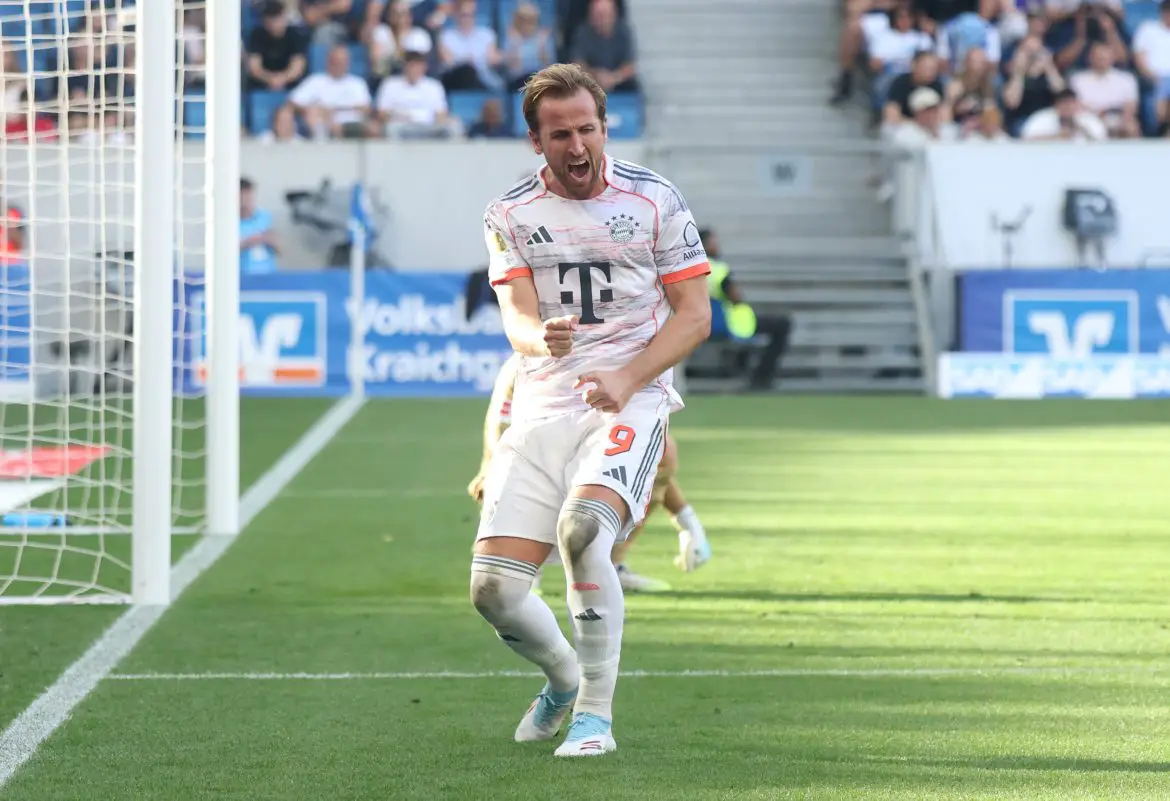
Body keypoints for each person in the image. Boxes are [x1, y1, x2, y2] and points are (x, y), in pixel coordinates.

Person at [469, 63, 711, 758]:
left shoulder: (655, 200)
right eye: (560, 135)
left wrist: (628, 376)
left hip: (631, 398)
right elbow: (516, 316)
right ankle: (564, 678)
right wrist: (538, 338)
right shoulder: (509, 213)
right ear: (535, 142)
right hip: (544, 404)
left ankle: (595, 718)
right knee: (493, 591)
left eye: (587, 130)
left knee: (582, 530)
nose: (577, 147)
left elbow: (695, 315)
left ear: (605, 127)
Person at [465, 350, 712, 589]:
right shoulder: (527, 366)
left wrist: (687, 521)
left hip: (589, 465)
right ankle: (518, 568)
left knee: (660, 449)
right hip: (534, 464)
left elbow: (643, 458)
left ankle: (611, 564)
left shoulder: (617, 360)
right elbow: (502, 435)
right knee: (510, 472)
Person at [701, 227, 791, 391]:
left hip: (703, 324)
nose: (717, 245)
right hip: (732, 323)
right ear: (705, 245)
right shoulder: (718, 269)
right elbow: (736, 297)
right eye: (713, 241)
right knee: (783, 324)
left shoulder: (691, 268)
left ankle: (742, 367)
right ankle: (762, 376)